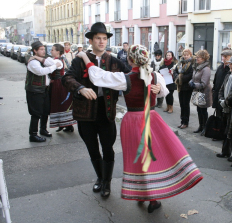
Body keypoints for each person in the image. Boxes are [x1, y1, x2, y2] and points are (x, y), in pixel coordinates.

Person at [82, 44, 203, 214]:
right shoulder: (154, 75)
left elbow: (98, 77)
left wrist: (85, 58)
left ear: (130, 59)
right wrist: (159, 88)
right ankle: (152, 197)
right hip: (151, 118)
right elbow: (164, 92)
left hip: (133, 121)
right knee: (152, 158)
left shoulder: (126, 78)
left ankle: (143, 194)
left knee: (137, 158)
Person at [62, 22, 131, 198]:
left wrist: (152, 82)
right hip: (85, 112)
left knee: (108, 148)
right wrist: (79, 88)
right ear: (91, 40)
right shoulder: (79, 60)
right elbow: (67, 78)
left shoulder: (114, 60)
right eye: (98, 38)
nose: (101, 42)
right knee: (92, 149)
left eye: (104, 38)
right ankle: (100, 178)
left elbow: (132, 77)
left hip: (107, 112)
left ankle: (107, 182)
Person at [25, 41, 61, 142]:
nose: (43, 51)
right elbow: (42, 72)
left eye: (44, 49)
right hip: (35, 91)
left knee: (45, 110)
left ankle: (43, 129)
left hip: (44, 90)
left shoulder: (41, 60)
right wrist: (54, 66)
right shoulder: (33, 62)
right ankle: (33, 134)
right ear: (35, 51)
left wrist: (51, 63)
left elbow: (55, 64)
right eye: (41, 49)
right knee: (36, 113)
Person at [189, 50, 212, 135]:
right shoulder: (197, 66)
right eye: (196, 56)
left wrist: (194, 85)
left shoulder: (206, 69)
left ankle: (205, 128)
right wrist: (191, 82)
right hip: (198, 91)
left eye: (198, 57)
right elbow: (193, 77)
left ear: (203, 58)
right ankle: (200, 126)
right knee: (199, 109)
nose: (196, 58)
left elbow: (204, 83)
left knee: (203, 110)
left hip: (204, 92)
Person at [212, 50, 232, 140]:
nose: (223, 58)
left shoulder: (231, 69)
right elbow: (215, 80)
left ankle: (224, 135)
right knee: (218, 115)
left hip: (225, 97)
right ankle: (218, 133)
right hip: (218, 95)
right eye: (223, 56)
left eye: (226, 57)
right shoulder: (220, 67)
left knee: (225, 118)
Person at [173, 49, 195, 129]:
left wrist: (180, 78)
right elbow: (175, 71)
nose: (185, 56)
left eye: (187, 55)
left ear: (190, 55)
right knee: (181, 104)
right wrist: (177, 78)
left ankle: (186, 122)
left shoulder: (191, 64)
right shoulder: (180, 62)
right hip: (180, 86)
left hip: (187, 87)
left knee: (186, 105)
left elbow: (190, 75)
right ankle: (182, 121)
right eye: (184, 55)